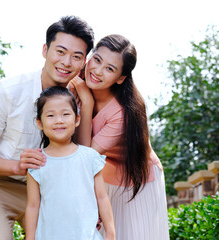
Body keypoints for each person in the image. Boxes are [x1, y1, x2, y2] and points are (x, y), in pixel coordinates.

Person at [0, 16, 94, 239]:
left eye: (76, 57)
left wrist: (88, 103)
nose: (66, 62)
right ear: (45, 50)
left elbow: (82, 154)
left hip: (46, 191)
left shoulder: (79, 99)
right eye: (60, 52)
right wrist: (17, 166)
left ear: (83, 63)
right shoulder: (8, 91)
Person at [69, 34, 170, 240]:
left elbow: (85, 157)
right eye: (97, 60)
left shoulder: (122, 114)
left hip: (138, 180)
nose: (97, 71)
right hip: (104, 175)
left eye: (110, 69)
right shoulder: (77, 78)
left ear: (121, 78)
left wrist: (86, 102)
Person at [25, 86, 115, 240]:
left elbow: (102, 197)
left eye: (66, 114)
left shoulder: (90, 157)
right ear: (39, 123)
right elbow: (33, 206)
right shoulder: (37, 163)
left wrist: (111, 233)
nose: (59, 120)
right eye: (51, 115)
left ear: (77, 119)